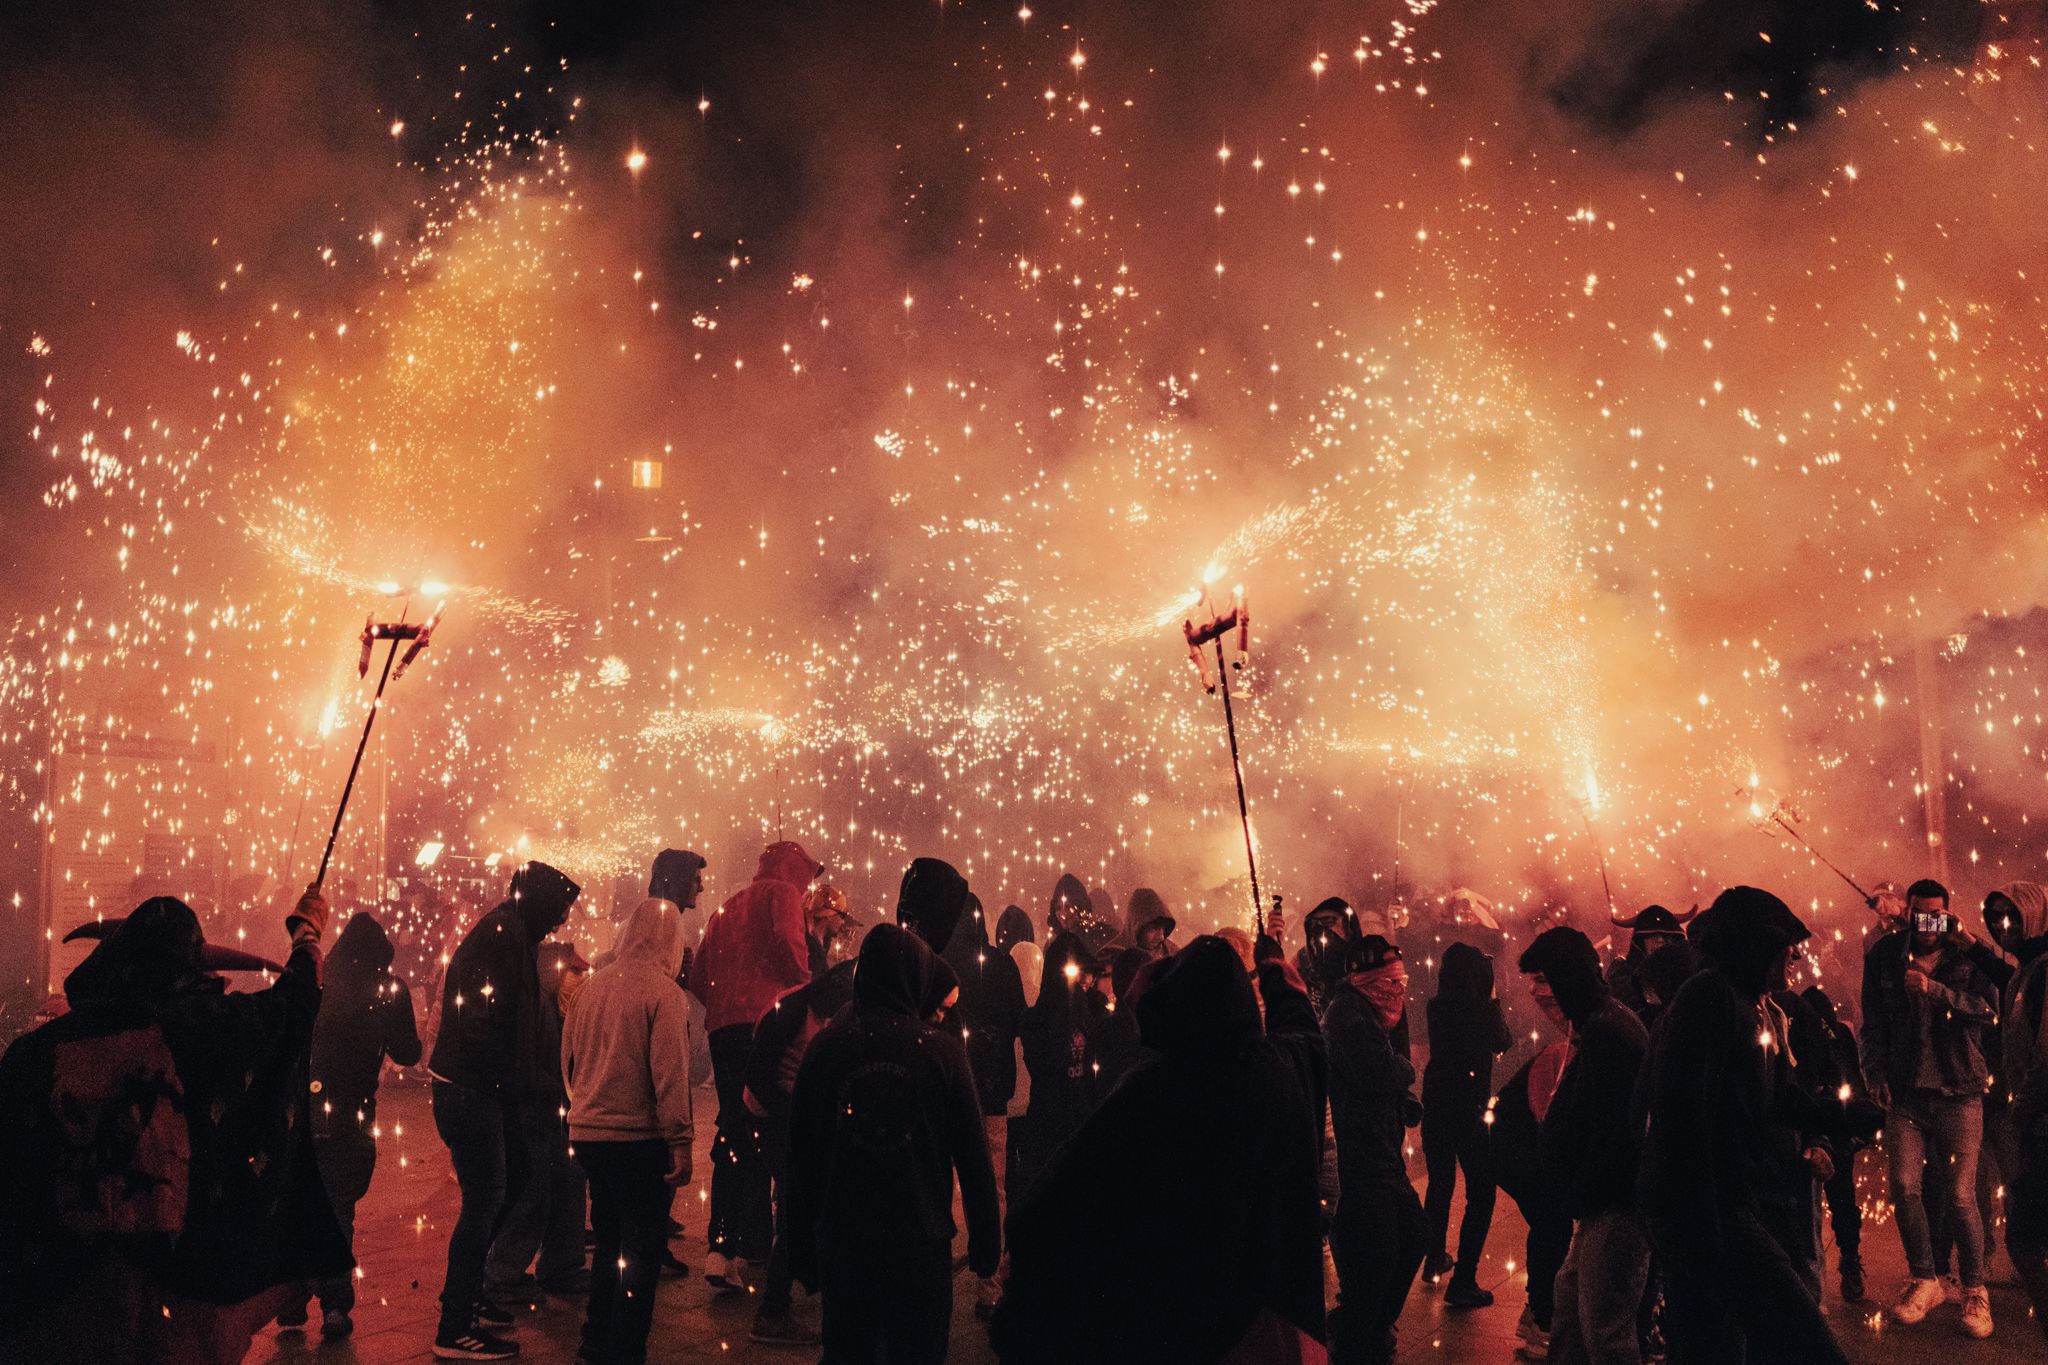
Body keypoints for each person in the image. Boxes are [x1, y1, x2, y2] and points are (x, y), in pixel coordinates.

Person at [0, 890, 346, 1365]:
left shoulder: (36, 1052)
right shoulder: (206, 1029)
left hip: (56, 1278)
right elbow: (294, 1004)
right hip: (174, 1277)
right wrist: (306, 933)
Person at [992, 938, 1327, 1363]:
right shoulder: (1280, 1068)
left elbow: (1057, 1197)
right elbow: (1304, 1033)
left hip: (1186, 1320)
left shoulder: (1156, 1088)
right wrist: (1277, 973)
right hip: (1273, 1322)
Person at [1639, 886, 1850, 1365]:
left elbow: (1775, 1095)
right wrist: (1706, 1227)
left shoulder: (1746, 1002)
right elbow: (1681, 1118)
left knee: (1712, 1347)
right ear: (1752, 946)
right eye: (1783, 945)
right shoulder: (1709, 998)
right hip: (1702, 1211)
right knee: (1801, 1342)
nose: (1794, 955)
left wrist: (1842, 1116)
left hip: (1714, 1207)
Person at [787, 924, 1000, 1364]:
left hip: (845, 1240)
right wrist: (985, 1244)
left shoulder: (826, 1048)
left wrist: (799, 1247)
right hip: (918, 1241)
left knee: (848, 1352)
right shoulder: (940, 1052)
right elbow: (974, 1156)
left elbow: (802, 1155)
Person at [428, 859, 580, 1360]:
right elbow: (485, 1022)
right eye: (557, 911)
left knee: (511, 1182)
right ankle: (454, 1327)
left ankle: (468, 1296)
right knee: (485, 1198)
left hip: (485, 1088)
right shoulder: (505, 935)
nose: (560, 922)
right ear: (537, 902)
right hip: (472, 1091)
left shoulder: (511, 930)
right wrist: (521, 1081)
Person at [1860, 877, 1998, 1337]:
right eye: (1918, 914)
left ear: (1946, 913)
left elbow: (1988, 1011)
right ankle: (1925, 1278)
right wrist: (1874, 1074)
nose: (1926, 924)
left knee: (1961, 1197)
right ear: (1908, 912)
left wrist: (1935, 992)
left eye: (1935, 915)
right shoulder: (1885, 954)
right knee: (1904, 1188)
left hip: (1960, 1091)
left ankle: (1976, 1291)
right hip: (1906, 1095)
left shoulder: (1965, 955)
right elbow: (1872, 1020)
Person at [560, 897, 695, 1365]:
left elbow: (569, 1059)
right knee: (640, 1250)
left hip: (589, 1133)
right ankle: (625, 1351)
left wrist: (583, 1108)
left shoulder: (592, 988)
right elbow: (671, 1073)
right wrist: (680, 1139)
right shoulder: (663, 993)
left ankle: (594, 1340)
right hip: (638, 1139)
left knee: (609, 1242)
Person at [284, 910, 423, 1339]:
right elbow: (408, 1053)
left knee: (300, 1202)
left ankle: (291, 1299)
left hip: (305, 1111)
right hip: (353, 1113)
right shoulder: (389, 990)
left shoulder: (319, 985)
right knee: (340, 1206)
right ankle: (335, 1304)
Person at [689, 840, 819, 1290]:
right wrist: (806, 993)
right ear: (795, 869)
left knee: (732, 1128)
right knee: (769, 1127)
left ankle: (721, 1246)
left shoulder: (726, 906)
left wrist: (721, 1009)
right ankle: (761, 1247)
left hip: (723, 1028)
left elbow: (698, 972)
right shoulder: (782, 894)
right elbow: (790, 945)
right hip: (766, 1023)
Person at [1519, 926, 1650, 1365]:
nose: (1538, 993)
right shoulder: (1598, 1024)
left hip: (1616, 1203)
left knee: (1604, 1328)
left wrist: (1577, 1189)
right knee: (1573, 1306)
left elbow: (1615, 1133)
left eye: (1545, 979)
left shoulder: (1608, 1031)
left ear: (1567, 978)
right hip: (1601, 1201)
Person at [1324, 934, 1428, 1365]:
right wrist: (1401, 1071)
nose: (1397, 989)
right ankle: (1355, 1338)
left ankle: (1364, 1330)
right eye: (1388, 981)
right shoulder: (1348, 1015)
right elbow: (1378, 1070)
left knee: (1410, 1239)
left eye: (1399, 980)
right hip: (1359, 1160)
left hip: (1380, 1153)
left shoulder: (1373, 1013)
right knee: (1379, 1256)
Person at [745, 960, 859, 1347]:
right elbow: (757, 1080)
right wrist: (799, 1113)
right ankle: (772, 1313)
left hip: (802, 1119)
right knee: (798, 1209)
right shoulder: (791, 1010)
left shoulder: (839, 1013)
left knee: (809, 1204)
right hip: (771, 1117)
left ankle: (809, 1291)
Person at [482, 942, 592, 1309]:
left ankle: (560, 1264)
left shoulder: (559, 1011)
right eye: (574, 975)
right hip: (534, 1108)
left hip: (555, 1109)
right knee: (534, 1190)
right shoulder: (538, 1009)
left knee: (568, 1180)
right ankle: (503, 1273)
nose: (580, 981)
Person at [1421, 941, 1511, 1304]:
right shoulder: (1482, 1010)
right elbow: (1503, 1039)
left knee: (1440, 1183)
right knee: (1481, 1190)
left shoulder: (1435, 1007)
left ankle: (1432, 1260)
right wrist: (1493, 998)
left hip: (1437, 1101)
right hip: (1470, 1107)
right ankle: (1464, 1280)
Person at [1008, 931, 1111, 1204]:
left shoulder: (1090, 1010)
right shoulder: (1037, 1019)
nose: (1084, 980)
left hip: (1081, 1118)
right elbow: (1043, 1061)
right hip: (1048, 1122)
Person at [1996, 881, 2048, 1340]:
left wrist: (2020, 1114)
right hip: (2037, 1124)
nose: (2000, 925)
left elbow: (2047, 1056)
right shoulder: (2026, 969)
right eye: (1993, 916)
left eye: (2009, 914)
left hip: (2042, 1123)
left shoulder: (2044, 969)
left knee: (2024, 1237)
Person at [1605, 905, 1694, 1018]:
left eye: (1666, 935)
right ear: (1640, 940)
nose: (1660, 939)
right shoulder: (1622, 969)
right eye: (1652, 935)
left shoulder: (1688, 971)